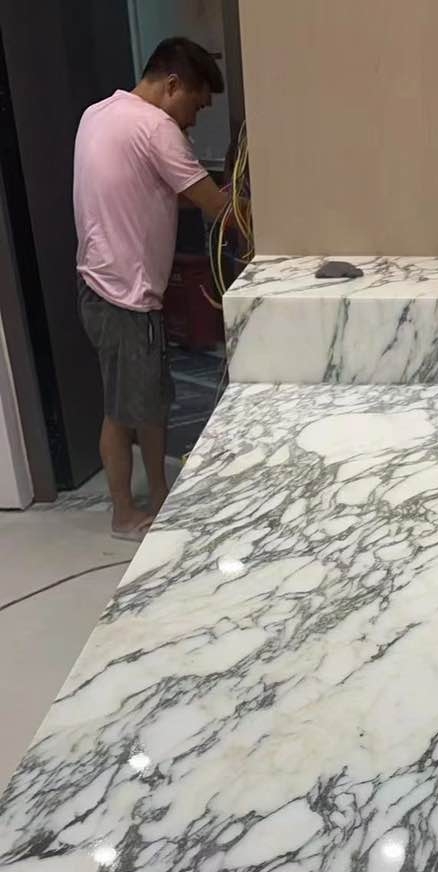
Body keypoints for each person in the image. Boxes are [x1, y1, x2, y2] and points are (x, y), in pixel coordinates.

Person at [73, 37, 228, 539]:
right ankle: (124, 515)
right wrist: (253, 207)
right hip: (125, 296)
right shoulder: (156, 127)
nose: (192, 122)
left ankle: (161, 494)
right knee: (122, 410)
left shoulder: (98, 114)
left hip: (101, 286)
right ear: (173, 85)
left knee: (151, 401)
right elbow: (218, 208)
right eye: (195, 107)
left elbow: (144, 187)